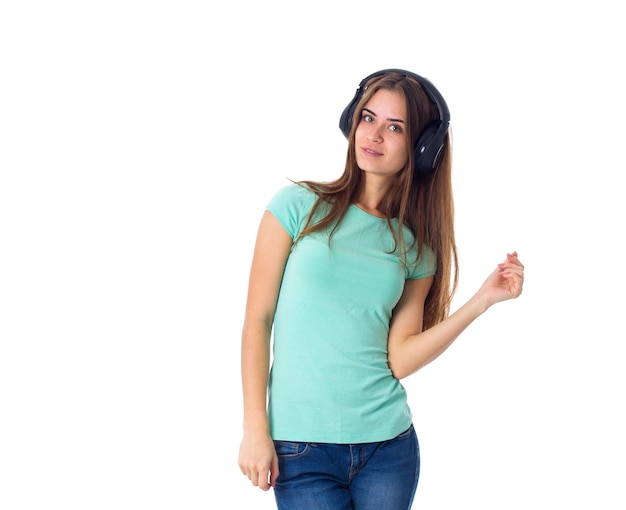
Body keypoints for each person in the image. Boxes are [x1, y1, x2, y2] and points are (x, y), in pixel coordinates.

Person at [238, 68, 524, 510]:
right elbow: (258, 320)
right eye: (368, 118)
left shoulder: (415, 249)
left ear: (422, 149)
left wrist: (482, 301)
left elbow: (401, 359)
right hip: (300, 449)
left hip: (387, 450)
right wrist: (255, 427)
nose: (374, 135)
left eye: (395, 127)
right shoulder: (295, 207)